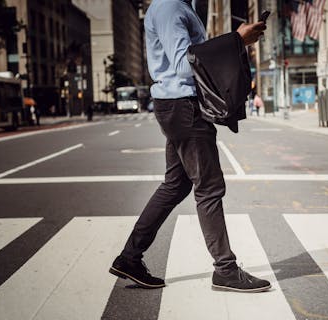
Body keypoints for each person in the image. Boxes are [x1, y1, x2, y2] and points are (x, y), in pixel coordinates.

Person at [109, 0, 270, 292]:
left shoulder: (180, 6)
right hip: (183, 106)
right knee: (209, 188)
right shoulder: (171, 6)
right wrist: (236, 40)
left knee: (176, 185)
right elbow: (184, 66)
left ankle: (130, 257)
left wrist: (236, 42)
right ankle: (225, 270)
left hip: (178, 106)